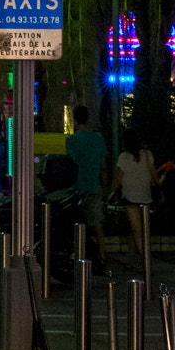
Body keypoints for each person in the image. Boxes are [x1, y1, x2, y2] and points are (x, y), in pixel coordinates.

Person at [66, 105, 107, 263]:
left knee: (77, 224)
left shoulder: (72, 140)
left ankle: (81, 255)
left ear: (75, 119)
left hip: (76, 188)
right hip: (94, 185)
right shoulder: (98, 138)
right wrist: (105, 186)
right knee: (97, 224)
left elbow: (69, 164)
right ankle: (102, 255)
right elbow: (104, 165)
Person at [114, 128, 158, 259]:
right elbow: (154, 175)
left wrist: (110, 189)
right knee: (145, 229)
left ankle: (144, 257)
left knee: (136, 228)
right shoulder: (147, 154)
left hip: (130, 195)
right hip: (146, 195)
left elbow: (119, 179)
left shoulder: (123, 157)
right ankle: (138, 253)